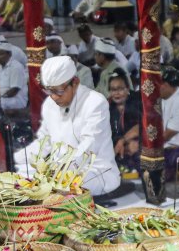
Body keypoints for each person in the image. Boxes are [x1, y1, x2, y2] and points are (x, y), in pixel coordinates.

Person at [18, 56, 119, 195]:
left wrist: (60, 170)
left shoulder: (95, 102)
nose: (54, 97)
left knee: (62, 186)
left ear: (75, 83)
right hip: (56, 172)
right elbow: (44, 142)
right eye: (49, 91)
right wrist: (18, 158)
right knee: (22, 177)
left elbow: (89, 146)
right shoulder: (49, 104)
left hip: (95, 172)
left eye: (59, 91)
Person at [106, 72, 143, 172]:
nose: (117, 93)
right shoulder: (108, 107)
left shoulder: (137, 101)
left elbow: (142, 126)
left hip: (139, 144)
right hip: (119, 148)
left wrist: (123, 141)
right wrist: (118, 143)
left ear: (127, 89)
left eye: (120, 89)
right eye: (113, 90)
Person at [0, 41, 28, 114]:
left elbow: (14, 90)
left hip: (15, 100)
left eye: (1, 54)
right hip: (3, 98)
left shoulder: (16, 67)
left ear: (9, 54)